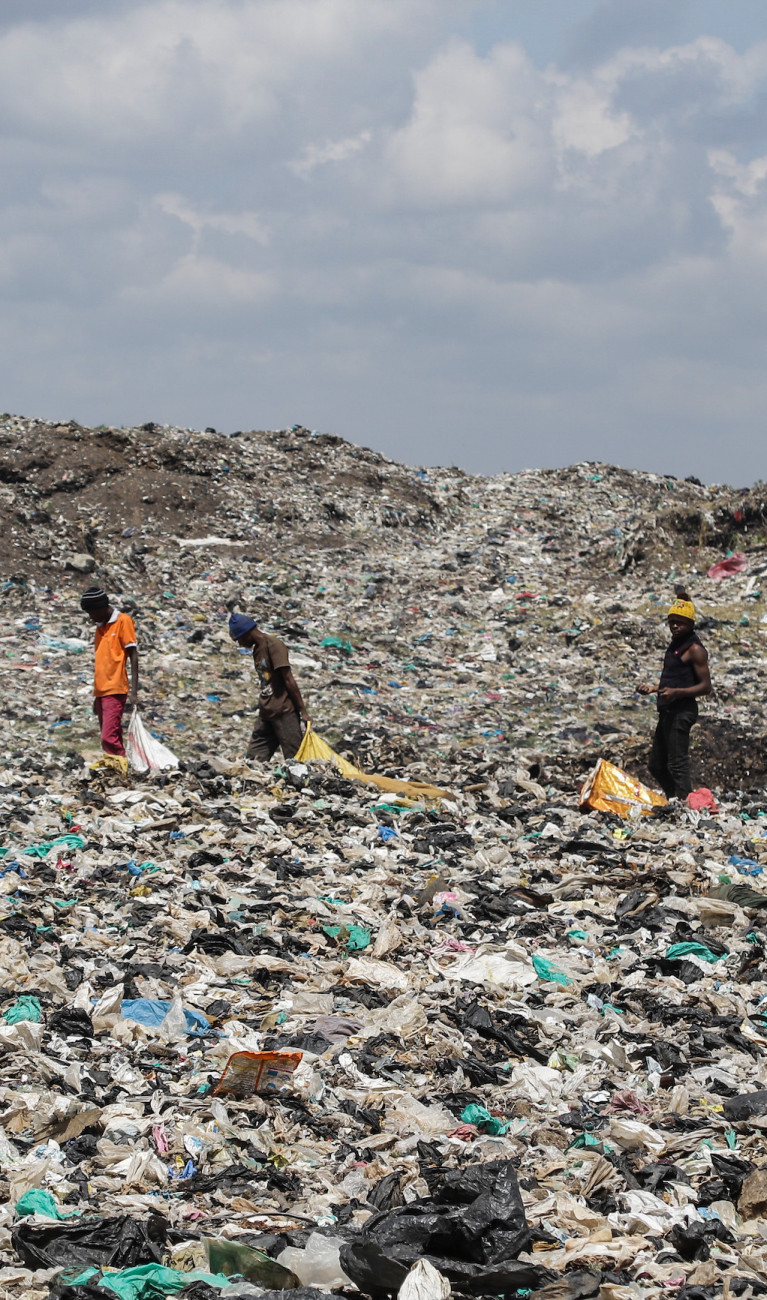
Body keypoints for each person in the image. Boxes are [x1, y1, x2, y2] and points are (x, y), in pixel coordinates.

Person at [638, 593, 711, 799]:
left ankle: (685, 804)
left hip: (682, 710)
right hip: (668, 708)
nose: (675, 626)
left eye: (680, 622)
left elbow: (706, 687)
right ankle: (674, 799)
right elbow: (675, 678)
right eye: (672, 622)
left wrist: (676, 693)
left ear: (690, 623)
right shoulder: (675, 645)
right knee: (656, 765)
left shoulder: (695, 649)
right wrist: (653, 688)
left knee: (678, 762)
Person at [228, 613, 309, 761]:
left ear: (247, 633)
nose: (239, 644)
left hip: (284, 712)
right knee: (253, 760)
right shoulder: (257, 649)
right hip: (266, 712)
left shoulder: (274, 645)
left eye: (239, 639)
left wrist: (302, 711)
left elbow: (288, 678)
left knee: (295, 761)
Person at [80, 587, 139, 761]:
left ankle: (121, 768)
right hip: (102, 691)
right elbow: (103, 663)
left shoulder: (123, 621)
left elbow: (133, 655)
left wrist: (134, 692)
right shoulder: (100, 627)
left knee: (109, 737)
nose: (91, 617)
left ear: (101, 608)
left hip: (115, 688)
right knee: (110, 736)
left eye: (92, 613)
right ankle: (116, 770)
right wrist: (96, 695)